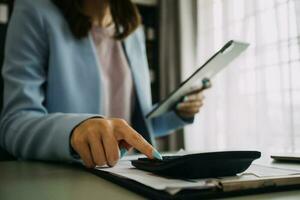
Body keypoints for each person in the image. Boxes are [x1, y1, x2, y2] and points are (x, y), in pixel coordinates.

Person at [0, 0, 206, 168]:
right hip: (63, 179)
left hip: (126, 173)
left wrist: (177, 113)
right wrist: (74, 131)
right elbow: (15, 124)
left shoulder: (133, 31)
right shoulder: (34, 11)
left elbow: (130, 126)